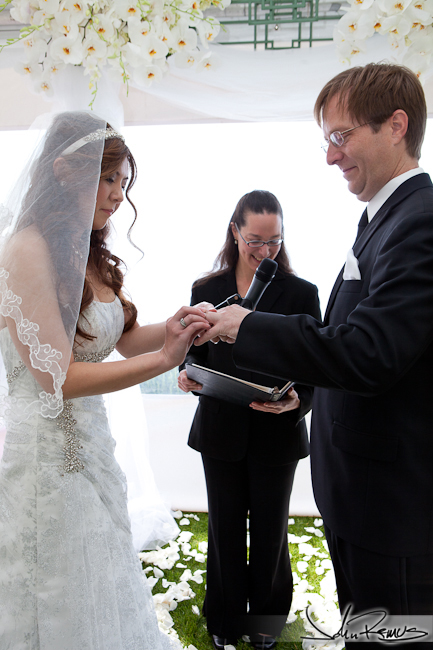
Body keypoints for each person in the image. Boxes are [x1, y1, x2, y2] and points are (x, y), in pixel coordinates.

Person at [194, 64, 433, 645]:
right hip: (358, 493)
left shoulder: (420, 220)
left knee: (394, 636)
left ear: (396, 125)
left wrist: (246, 325)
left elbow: (369, 351)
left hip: (390, 504)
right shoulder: (382, 218)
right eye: (327, 139)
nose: (330, 156)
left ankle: (263, 625)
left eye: (340, 136)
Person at [0, 111, 210, 649]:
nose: (119, 195)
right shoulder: (26, 248)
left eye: (123, 181)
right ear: (65, 172)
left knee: (100, 571)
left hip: (92, 443)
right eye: (109, 178)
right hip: (46, 454)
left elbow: (126, 338)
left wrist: (183, 326)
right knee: (56, 582)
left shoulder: (86, 250)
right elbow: (59, 378)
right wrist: (165, 361)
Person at [178, 190, 321, 650]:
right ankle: (223, 621)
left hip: (277, 433)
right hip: (220, 428)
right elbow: (192, 355)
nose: (265, 251)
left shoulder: (302, 294)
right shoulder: (206, 290)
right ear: (235, 232)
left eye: (275, 241)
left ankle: (265, 626)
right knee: (223, 528)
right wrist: (186, 374)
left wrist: (296, 402)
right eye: (256, 240)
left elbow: (316, 368)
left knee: (270, 531)